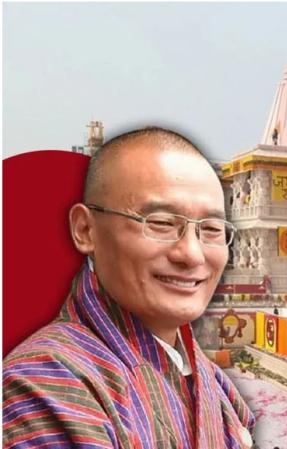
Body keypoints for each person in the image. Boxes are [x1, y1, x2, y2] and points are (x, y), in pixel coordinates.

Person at [3, 127, 255, 448]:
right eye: (161, 223)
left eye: (212, 229)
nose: (192, 254)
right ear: (85, 230)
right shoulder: (45, 383)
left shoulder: (210, 380)